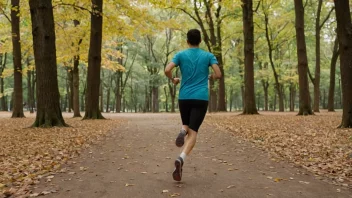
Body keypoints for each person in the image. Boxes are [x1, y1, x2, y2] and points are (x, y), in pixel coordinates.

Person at [164, 29, 222, 181]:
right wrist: (212, 76)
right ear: (200, 41)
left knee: (186, 124)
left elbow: (167, 69)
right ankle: (181, 159)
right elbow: (219, 74)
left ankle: (183, 130)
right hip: (200, 98)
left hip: (184, 97)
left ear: (187, 41)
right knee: (194, 132)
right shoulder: (208, 56)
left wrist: (173, 80)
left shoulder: (181, 55)